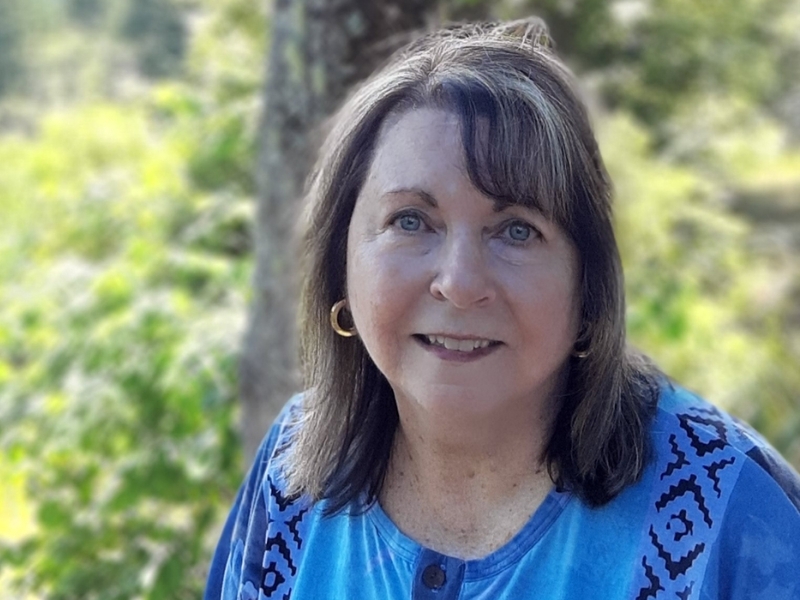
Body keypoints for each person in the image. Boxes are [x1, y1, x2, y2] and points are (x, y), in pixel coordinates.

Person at [205, 19, 800, 600]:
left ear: (587, 281)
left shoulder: (729, 511)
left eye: (516, 230)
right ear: (342, 264)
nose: (460, 284)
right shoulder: (293, 467)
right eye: (410, 221)